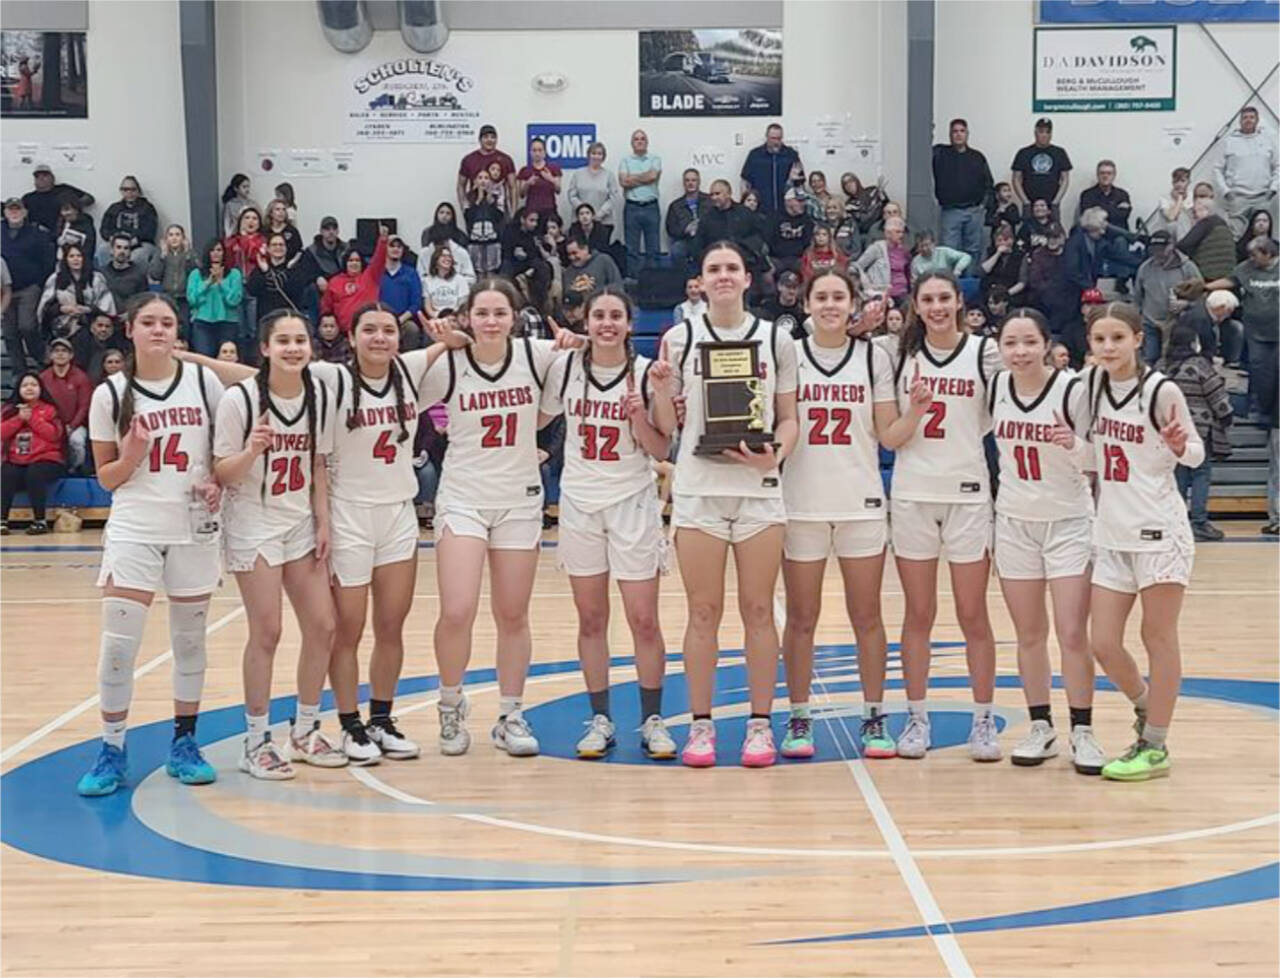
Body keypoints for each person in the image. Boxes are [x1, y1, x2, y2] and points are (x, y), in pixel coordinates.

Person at [195, 303, 463, 764]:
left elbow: (458, 344)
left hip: (395, 511)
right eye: (369, 331)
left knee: (385, 625)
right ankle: (345, 722)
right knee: (340, 629)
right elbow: (258, 371)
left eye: (388, 330)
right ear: (351, 336)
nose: (380, 338)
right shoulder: (331, 379)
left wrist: (451, 336)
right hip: (344, 514)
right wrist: (189, 360)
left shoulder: (410, 369)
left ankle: (378, 720)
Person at [77, 293, 224, 797]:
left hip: (193, 526)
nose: (158, 330)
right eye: (149, 322)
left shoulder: (204, 383)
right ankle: (112, 748)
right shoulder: (110, 394)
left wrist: (216, 483)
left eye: (167, 323)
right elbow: (107, 479)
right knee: (118, 648)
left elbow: (256, 384)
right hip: (136, 526)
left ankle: (185, 743)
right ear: (130, 329)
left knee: (189, 643)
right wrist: (133, 453)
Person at [660, 242, 800, 768]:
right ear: (700, 281)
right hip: (699, 487)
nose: (723, 276)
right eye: (713, 269)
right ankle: (701, 725)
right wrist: (657, 390)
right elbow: (668, 422)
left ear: (746, 279)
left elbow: (789, 418)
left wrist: (774, 457)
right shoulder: (679, 339)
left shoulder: (775, 339)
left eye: (732, 269)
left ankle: (760, 725)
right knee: (702, 611)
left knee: (760, 610)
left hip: (758, 491)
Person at [414, 280, 565, 757]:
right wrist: (438, 343)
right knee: (457, 610)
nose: (491, 321)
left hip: (518, 498)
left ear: (515, 317)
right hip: (463, 496)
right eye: (482, 313)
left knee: (513, 613)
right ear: (467, 317)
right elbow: (399, 394)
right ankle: (450, 704)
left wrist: (571, 342)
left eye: (500, 312)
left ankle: (510, 714)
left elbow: (550, 409)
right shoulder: (451, 362)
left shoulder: (538, 355)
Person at [538, 286, 676, 758]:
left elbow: (660, 449)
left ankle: (653, 720)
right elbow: (536, 414)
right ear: (586, 321)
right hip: (580, 502)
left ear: (629, 323)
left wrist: (639, 416)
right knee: (592, 618)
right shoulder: (564, 368)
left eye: (616, 315)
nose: (607, 324)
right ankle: (600, 717)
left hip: (632, 500)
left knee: (643, 619)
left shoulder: (646, 375)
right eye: (599, 315)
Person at [212, 310, 346, 779]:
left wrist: (324, 521)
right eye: (283, 341)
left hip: (300, 522)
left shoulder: (319, 396)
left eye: (300, 340)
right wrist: (251, 449)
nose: (293, 348)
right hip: (254, 522)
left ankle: (305, 729)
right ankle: (255, 741)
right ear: (265, 348)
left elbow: (320, 465)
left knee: (324, 626)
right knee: (267, 633)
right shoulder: (241, 400)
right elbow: (222, 474)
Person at [884, 271, 1004, 761]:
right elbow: (890, 437)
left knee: (973, 613)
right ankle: (916, 719)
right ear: (916, 304)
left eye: (944, 299)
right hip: (913, 493)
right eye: (927, 299)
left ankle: (983, 721)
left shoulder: (986, 354)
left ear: (959, 302)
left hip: (969, 493)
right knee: (918, 614)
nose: (936, 307)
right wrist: (913, 411)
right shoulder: (898, 356)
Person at [782, 271, 902, 757]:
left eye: (839, 297)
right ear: (807, 304)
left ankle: (874, 715)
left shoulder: (875, 356)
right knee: (801, 617)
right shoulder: (787, 354)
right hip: (801, 502)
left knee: (867, 615)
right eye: (821, 297)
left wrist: (915, 413)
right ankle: (799, 716)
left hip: (861, 501)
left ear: (853, 304)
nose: (830, 305)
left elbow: (889, 432)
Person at [1083, 301, 1202, 781]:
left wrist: (1179, 447)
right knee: (1104, 644)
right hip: (1111, 533)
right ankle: (1147, 707)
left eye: (1117, 337)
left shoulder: (1160, 389)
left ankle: (1154, 745)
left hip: (1159, 532)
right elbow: (1091, 453)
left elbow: (1195, 453)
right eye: (1099, 339)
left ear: (1137, 339)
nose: (1109, 347)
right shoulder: (1090, 387)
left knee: (1157, 637)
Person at [988, 309, 1103, 773]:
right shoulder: (995, 387)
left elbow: (1100, 455)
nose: (1019, 352)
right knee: (1029, 634)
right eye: (1011, 343)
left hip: (1069, 522)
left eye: (1028, 342)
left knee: (1072, 633)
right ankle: (1041, 726)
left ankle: (1083, 730)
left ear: (1046, 345)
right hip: (1014, 522)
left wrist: (1073, 445)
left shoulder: (1072, 389)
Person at [1161, 322, 1233, 542]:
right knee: (1201, 474)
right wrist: (1226, 416)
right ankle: (1199, 522)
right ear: (1193, 342)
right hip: (1200, 430)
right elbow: (1217, 395)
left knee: (1178, 477)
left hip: (1170, 430)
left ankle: (1177, 521)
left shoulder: (1162, 366)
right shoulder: (1199, 365)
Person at [1207, 237, 1279, 426]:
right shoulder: (1246, 268)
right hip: (1256, 333)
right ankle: (1263, 411)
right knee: (1262, 373)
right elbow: (1231, 280)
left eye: (1255, 255)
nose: (1251, 259)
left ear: (1268, 254)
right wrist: (1204, 286)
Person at [0, 371, 66, 535]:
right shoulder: (8, 410)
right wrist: (18, 419)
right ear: (18, 389)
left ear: (41, 388)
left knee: (35, 472)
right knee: (6, 472)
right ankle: (2, 521)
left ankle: (40, 521)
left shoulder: (50, 410)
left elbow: (53, 435)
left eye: (34, 385)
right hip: (16, 460)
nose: (29, 388)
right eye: (25, 385)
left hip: (46, 459)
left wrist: (31, 419)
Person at [1, 198, 55, 374]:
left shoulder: (36, 233)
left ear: (25, 212)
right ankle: (20, 374)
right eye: (11, 209)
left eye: (18, 209)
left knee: (27, 326)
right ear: (5, 212)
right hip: (4, 290)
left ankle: (43, 360)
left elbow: (48, 260)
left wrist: (40, 283)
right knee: (10, 333)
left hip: (29, 288)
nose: (14, 213)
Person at [932, 118, 995, 268]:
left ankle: (970, 284)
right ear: (949, 135)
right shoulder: (940, 154)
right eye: (955, 131)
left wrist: (983, 206)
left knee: (972, 250)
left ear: (967, 134)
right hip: (950, 211)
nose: (958, 135)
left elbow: (989, 183)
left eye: (962, 131)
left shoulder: (977, 157)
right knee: (949, 251)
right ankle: (951, 286)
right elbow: (922, 145)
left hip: (974, 211)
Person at [1132, 230, 1202, 362]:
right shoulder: (1144, 268)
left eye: (1161, 249)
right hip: (1150, 323)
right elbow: (1138, 297)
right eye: (1154, 249)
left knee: (1174, 360)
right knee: (1149, 359)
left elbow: (1201, 294)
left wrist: (1186, 304)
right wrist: (1138, 319)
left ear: (1171, 246)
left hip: (1178, 324)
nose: (1158, 253)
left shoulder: (1188, 268)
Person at [1213, 106, 1279, 238]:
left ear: (1257, 120)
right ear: (1240, 121)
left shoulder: (1268, 141)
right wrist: (1226, 191)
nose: (1248, 120)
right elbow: (1217, 169)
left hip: (1263, 197)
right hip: (1238, 198)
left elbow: (1278, 166)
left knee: (1264, 236)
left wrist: (1273, 188)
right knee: (1236, 236)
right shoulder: (1229, 142)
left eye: (1251, 117)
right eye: (1245, 118)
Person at [36, 242, 115, 340]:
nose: (76, 259)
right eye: (71, 256)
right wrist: (62, 309)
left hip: (91, 327)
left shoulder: (96, 278)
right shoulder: (55, 279)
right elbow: (45, 308)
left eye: (79, 256)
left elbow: (107, 307)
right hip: (62, 327)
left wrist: (88, 310)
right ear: (66, 259)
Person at [39, 335, 93, 472]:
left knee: (77, 442)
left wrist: (71, 426)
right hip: (50, 424)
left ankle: (75, 469)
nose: (60, 354)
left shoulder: (81, 377)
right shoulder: (43, 378)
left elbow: (84, 406)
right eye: (56, 351)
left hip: (75, 424)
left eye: (64, 351)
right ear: (50, 355)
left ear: (71, 355)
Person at [320, 231, 389, 333]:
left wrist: (383, 241)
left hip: (367, 330)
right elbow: (326, 308)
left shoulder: (370, 276)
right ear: (345, 263)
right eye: (351, 261)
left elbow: (379, 259)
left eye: (357, 261)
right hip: (342, 335)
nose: (354, 263)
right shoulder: (335, 281)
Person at [187, 239, 244, 358]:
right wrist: (207, 283)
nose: (216, 253)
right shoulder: (196, 274)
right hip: (202, 323)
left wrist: (221, 282)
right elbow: (192, 300)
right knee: (205, 359)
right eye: (212, 250)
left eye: (219, 250)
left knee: (227, 361)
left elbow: (233, 301)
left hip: (227, 323)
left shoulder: (234, 274)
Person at [696, 181, 766, 274]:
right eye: (712, 195)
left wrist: (744, 250)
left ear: (728, 194)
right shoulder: (707, 218)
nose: (714, 198)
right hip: (717, 261)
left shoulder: (745, 213)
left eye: (717, 194)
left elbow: (758, 236)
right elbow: (698, 244)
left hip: (745, 259)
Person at [618, 130, 662, 279]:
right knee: (632, 250)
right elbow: (624, 182)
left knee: (654, 249)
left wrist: (632, 179)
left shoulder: (655, 159)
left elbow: (653, 176)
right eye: (636, 139)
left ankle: (653, 281)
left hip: (651, 207)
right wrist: (644, 177)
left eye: (643, 139)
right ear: (632, 143)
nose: (640, 141)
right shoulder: (625, 160)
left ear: (647, 142)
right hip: (632, 207)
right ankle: (634, 283)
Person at [1011, 118, 1072, 218]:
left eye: (1048, 132)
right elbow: (1016, 179)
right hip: (1030, 203)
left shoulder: (1059, 152)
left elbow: (1065, 179)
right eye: (1041, 131)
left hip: (1051, 204)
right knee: (1028, 232)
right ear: (1035, 133)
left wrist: (1056, 201)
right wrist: (1025, 201)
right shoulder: (1023, 153)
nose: (1044, 135)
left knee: (1054, 232)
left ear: (1051, 134)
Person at [1177, 186, 1237, 282]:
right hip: (1227, 273)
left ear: (1206, 210)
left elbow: (1183, 245)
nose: (1195, 215)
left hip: (1209, 273)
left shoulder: (1206, 223)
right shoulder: (1222, 222)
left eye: (1197, 211)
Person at [567, 142, 623, 244]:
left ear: (603, 157)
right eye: (593, 153)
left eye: (599, 153)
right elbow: (572, 195)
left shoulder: (609, 175)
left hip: (603, 222)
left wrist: (598, 214)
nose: (596, 156)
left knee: (599, 254)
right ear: (588, 155)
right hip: (580, 223)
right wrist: (584, 212)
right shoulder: (578, 174)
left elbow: (613, 197)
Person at [246, 231, 309, 321]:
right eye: (274, 245)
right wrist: (265, 271)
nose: (278, 247)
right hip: (266, 317)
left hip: (288, 317)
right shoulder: (260, 269)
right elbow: (252, 290)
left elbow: (297, 292)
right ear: (268, 248)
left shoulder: (295, 269)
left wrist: (288, 271)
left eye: (281, 245)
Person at [740, 123, 802, 213]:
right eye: (773, 138)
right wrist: (746, 206)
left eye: (779, 138)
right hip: (761, 210)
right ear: (766, 137)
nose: (776, 142)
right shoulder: (755, 155)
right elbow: (745, 181)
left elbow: (800, 182)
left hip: (786, 209)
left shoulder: (791, 155)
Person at [99, 176, 159, 268]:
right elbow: (104, 229)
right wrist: (112, 238)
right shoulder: (114, 208)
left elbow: (150, 231)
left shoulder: (147, 208)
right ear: (121, 191)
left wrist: (134, 241)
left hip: (141, 243)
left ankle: (135, 280)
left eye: (133, 189)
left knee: (137, 256)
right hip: (117, 242)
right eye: (125, 189)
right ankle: (108, 278)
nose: (129, 192)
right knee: (102, 250)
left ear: (138, 191)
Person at [457, 124, 517, 214]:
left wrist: (513, 212)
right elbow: (461, 185)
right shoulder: (469, 159)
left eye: (493, 137)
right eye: (485, 137)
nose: (489, 140)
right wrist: (464, 207)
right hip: (475, 208)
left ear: (496, 140)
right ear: (480, 140)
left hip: (499, 210)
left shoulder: (506, 159)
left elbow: (513, 187)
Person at [148, 225, 198, 329]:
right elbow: (154, 275)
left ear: (183, 238)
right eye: (171, 235)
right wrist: (162, 257)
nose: (174, 238)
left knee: (184, 327)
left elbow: (195, 274)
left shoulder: (190, 254)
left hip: (185, 298)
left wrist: (188, 256)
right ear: (166, 239)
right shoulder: (160, 254)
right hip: (167, 297)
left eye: (177, 235)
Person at [1175, 288, 1242, 364]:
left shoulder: (1207, 315)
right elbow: (1190, 349)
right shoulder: (1198, 320)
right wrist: (1211, 358)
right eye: (1229, 311)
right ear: (1220, 307)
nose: (1228, 315)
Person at [378, 235, 424, 345]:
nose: (395, 249)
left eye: (399, 247)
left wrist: (399, 320)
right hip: (380, 318)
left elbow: (416, 303)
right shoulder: (377, 272)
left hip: (404, 320)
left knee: (412, 329)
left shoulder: (411, 273)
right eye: (392, 246)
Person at [22, 163, 93, 234]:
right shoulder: (28, 198)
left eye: (45, 175)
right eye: (37, 176)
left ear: (53, 178)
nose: (41, 178)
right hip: (39, 236)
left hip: (66, 233)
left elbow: (89, 198)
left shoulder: (64, 189)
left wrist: (73, 207)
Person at [419, 202, 477, 287]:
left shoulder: (460, 235)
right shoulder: (427, 233)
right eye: (441, 212)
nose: (444, 216)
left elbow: (470, 277)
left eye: (448, 213)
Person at [855, 217, 910, 302]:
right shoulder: (877, 248)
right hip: (883, 295)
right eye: (898, 232)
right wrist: (867, 286)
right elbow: (857, 266)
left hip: (903, 293)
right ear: (887, 233)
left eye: (902, 232)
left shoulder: (903, 250)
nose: (901, 235)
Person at [464, 171, 505, 276]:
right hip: (475, 241)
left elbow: (499, 217)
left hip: (492, 241)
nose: (483, 180)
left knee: (491, 272)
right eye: (480, 177)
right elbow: (468, 217)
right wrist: (478, 200)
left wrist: (490, 200)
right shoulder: (469, 197)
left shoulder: (496, 197)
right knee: (477, 272)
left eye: (486, 178)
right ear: (475, 181)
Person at [666, 171, 709, 270]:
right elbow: (671, 229)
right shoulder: (675, 205)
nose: (690, 183)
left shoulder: (709, 201)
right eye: (687, 180)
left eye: (694, 180)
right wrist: (685, 230)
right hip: (685, 240)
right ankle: (682, 280)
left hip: (706, 239)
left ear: (699, 182)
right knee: (676, 250)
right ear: (683, 183)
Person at [562, 234, 622, 306]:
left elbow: (617, 286)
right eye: (569, 254)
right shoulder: (568, 273)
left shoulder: (604, 261)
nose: (572, 257)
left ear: (585, 249)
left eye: (574, 253)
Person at [766, 189, 814, 277]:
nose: (803, 204)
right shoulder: (773, 219)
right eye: (799, 201)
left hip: (799, 259)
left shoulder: (807, 220)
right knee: (767, 272)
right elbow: (768, 241)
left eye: (803, 201)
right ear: (788, 202)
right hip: (777, 259)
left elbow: (808, 243)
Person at [1076, 160, 1132, 231]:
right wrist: (1114, 209)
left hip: (1117, 234)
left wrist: (1099, 209)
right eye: (1102, 173)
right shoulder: (1087, 194)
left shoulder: (1122, 194)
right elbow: (1089, 218)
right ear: (1097, 175)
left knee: (1120, 240)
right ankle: (1136, 237)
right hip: (1095, 233)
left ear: (1114, 175)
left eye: (1109, 173)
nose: (1105, 176)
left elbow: (1123, 216)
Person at [515, 138, 562, 218]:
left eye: (540, 150)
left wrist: (551, 179)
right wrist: (527, 183)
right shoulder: (525, 170)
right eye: (534, 150)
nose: (537, 153)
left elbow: (558, 190)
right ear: (530, 152)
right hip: (531, 211)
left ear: (545, 152)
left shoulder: (553, 169)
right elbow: (521, 194)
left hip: (549, 209)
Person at [75, 311, 127, 381]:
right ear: (92, 328)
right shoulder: (81, 344)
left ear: (112, 330)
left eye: (107, 326)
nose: (103, 329)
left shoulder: (119, 345)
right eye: (100, 325)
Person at [298, 216, 344, 294]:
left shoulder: (346, 249)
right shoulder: (311, 251)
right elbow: (304, 273)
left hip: (344, 285)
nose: (331, 232)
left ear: (338, 231)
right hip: (323, 288)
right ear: (321, 231)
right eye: (327, 229)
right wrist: (317, 278)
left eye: (334, 229)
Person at [421, 245, 470, 317]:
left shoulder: (460, 280)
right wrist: (437, 316)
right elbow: (428, 307)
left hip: (455, 317)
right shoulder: (427, 281)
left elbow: (462, 305)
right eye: (443, 256)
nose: (447, 258)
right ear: (436, 260)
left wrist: (451, 317)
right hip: (435, 317)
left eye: (449, 256)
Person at [755, 269, 805, 337]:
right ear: (779, 286)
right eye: (788, 287)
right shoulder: (768, 307)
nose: (791, 291)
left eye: (794, 288)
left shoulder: (803, 309)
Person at [1151, 167, 1194, 240]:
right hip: (1168, 233)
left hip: (1189, 230)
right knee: (1178, 223)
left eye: (1183, 181)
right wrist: (1179, 199)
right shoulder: (1164, 199)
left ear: (1189, 182)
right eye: (1176, 181)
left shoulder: (1192, 196)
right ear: (1172, 183)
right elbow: (1171, 217)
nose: (1179, 184)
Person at [55, 198, 98, 267]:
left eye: (67, 209)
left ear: (76, 209)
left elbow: (89, 250)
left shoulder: (86, 226)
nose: (64, 213)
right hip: (61, 264)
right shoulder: (61, 224)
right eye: (61, 210)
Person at [220, 173, 259, 239]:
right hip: (235, 237)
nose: (247, 189)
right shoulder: (230, 205)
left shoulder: (253, 204)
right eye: (244, 187)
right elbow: (227, 224)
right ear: (236, 188)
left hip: (251, 238)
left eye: (248, 186)